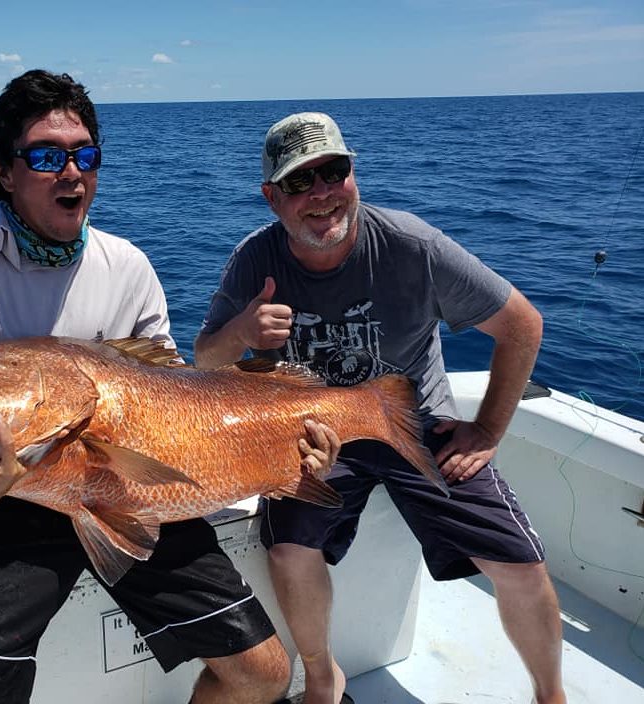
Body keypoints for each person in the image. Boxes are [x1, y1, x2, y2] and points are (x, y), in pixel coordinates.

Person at [0, 71, 337, 704]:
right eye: (47, 156)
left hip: (132, 490)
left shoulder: (127, 267)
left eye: (85, 155)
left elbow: (174, 393)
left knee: (265, 673)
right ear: (3, 170)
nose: (71, 172)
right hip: (4, 505)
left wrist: (285, 454)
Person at [194, 112, 566, 704]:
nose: (320, 194)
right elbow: (204, 363)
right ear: (272, 198)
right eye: (299, 182)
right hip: (312, 438)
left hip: (415, 426)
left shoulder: (411, 246)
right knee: (290, 550)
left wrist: (488, 429)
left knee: (519, 562)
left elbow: (522, 325)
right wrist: (240, 328)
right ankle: (322, 680)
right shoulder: (254, 259)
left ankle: (552, 696)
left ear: (352, 174)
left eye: (333, 172)